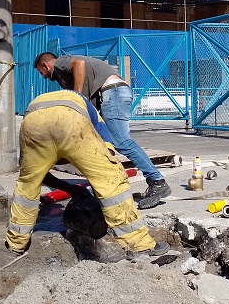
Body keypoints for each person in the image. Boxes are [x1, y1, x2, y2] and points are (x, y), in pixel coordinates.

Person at [6, 88, 169, 260]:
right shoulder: (97, 121)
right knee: (111, 177)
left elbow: (41, 175)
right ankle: (139, 246)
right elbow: (108, 158)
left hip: (32, 121)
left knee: (27, 185)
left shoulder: (48, 104)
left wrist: (70, 189)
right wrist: (102, 194)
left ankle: (16, 245)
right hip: (69, 119)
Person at [33, 52, 172, 209]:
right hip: (114, 93)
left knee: (121, 141)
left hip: (113, 92)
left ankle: (157, 181)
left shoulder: (60, 63)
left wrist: (77, 98)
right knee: (107, 143)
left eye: (41, 72)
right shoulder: (68, 75)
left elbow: (79, 64)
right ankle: (109, 185)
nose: (43, 76)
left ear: (45, 65)